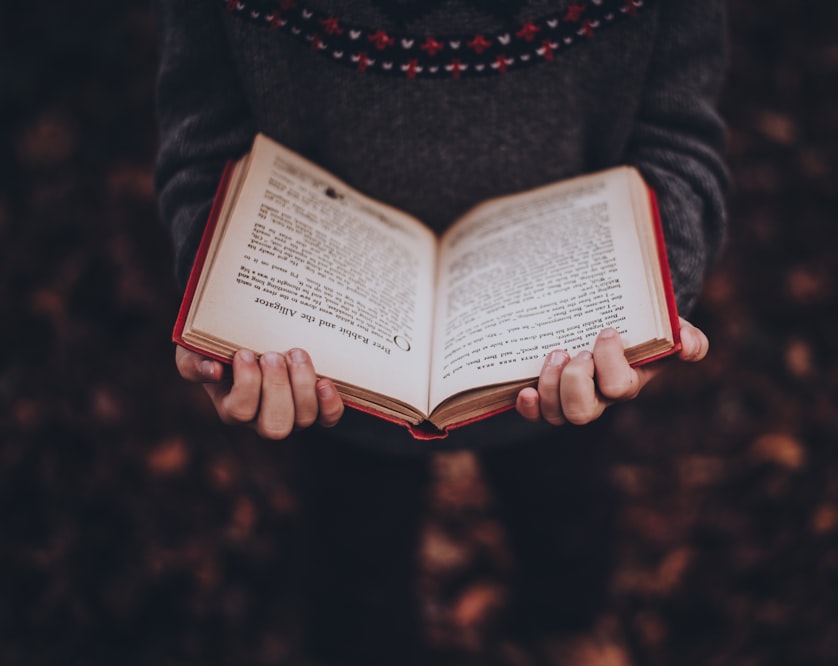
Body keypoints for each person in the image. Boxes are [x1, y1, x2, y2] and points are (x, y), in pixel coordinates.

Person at [154, 1, 727, 663]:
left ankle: (566, 621)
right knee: (352, 548)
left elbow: (678, 137)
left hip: (564, 356)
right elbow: (204, 142)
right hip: (329, 369)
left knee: (567, 510)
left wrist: (649, 305)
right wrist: (228, 313)